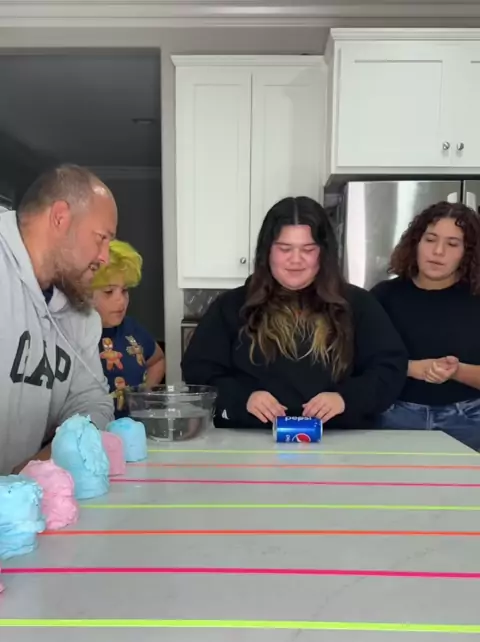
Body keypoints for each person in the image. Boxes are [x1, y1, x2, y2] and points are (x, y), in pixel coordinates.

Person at [182, 196, 407, 430]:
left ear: (324, 253)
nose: (296, 260)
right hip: (250, 440)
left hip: (339, 441)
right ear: (267, 251)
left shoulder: (358, 304)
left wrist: (345, 399)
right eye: (284, 249)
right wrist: (242, 398)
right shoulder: (231, 306)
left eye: (308, 249)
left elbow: (390, 368)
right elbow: (199, 371)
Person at [0, 163, 117, 475]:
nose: (105, 257)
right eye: (101, 238)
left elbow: (93, 403)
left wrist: (32, 472)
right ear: (60, 217)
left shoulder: (81, 314)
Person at [371, 201, 480, 450]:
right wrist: (410, 368)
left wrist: (456, 371)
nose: (438, 251)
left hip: (471, 422)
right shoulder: (383, 296)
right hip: (393, 417)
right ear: (416, 242)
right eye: (430, 239)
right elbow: (358, 365)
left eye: (452, 244)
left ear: (467, 252)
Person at [91, 240, 165, 417]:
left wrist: (144, 396)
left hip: (132, 428)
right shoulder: (73, 335)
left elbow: (158, 360)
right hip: (91, 431)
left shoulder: (132, 329)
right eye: (109, 292)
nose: (121, 300)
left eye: (124, 290)